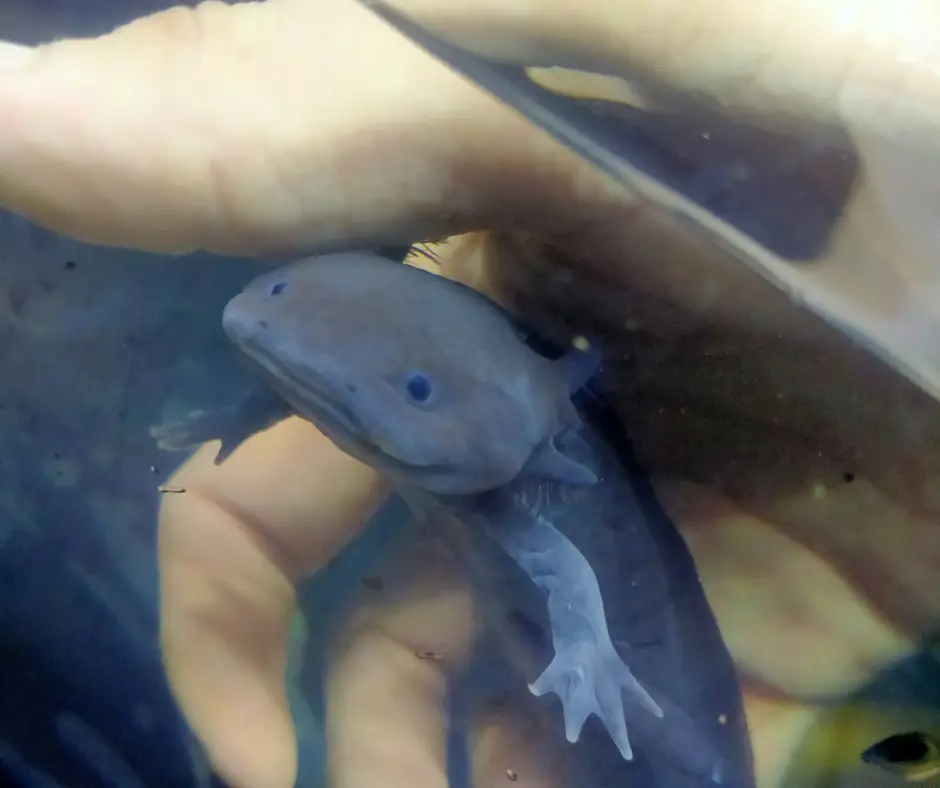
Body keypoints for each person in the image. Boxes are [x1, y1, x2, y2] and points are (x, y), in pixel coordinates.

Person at [2, 1, 940, 787]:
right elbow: (308, 369)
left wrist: (588, 655)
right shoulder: (408, 378)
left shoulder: (527, 472)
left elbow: (568, 571)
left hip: (626, 656)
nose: (279, 324)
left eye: (411, 386)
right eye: (293, 286)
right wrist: (242, 407)